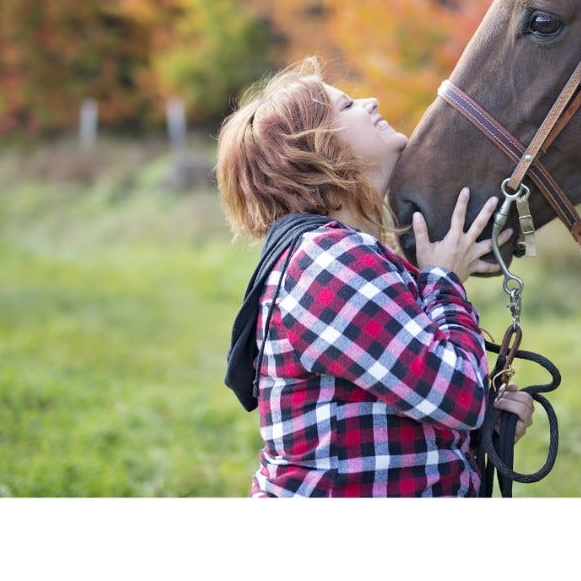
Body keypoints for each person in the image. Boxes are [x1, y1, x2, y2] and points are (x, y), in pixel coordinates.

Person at [215, 56, 536, 497]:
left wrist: (486, 429)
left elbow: (415, 400)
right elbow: (459, 395)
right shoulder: (328, 262)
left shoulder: (349, 257)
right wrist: (444, 279)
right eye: (346, 107)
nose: (370, 101)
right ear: (313, 150)